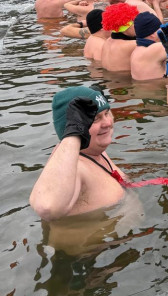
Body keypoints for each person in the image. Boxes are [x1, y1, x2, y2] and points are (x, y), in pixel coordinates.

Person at [29, 86, 127, 219]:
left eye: (107, 113)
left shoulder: (95, 151)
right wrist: (74, 132)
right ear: (74, 125)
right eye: (95, 118)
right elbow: (47, 208)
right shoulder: (73, 167)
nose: (107, 123)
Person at [100, 3, 139, 72]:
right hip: (125, 79)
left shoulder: (107, 42)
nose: (138, 25)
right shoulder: (133, 44)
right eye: (134, 22)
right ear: (126, 27)